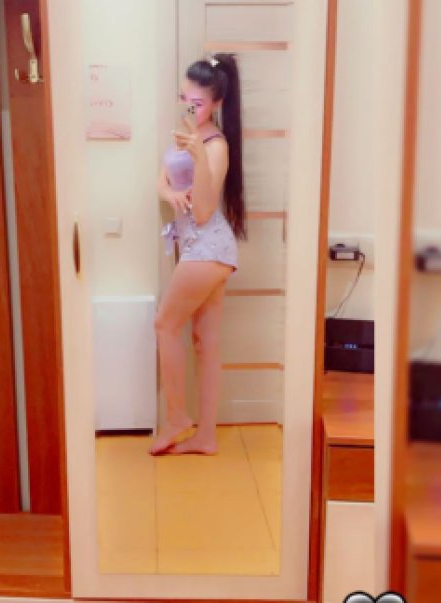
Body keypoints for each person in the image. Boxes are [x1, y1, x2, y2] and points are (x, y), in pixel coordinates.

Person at [150, 53, 247, 456]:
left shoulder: (215, 145)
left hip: (208, 247)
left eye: (198, 103)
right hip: (199, 247)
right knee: (205, 343)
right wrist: (170, 193)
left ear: (217, 103)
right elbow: (161, 180)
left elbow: (205, 211)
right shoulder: (186, 134)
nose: (189, 108)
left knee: (164, 325)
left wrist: (200, 157)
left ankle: (176, 417)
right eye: (184, 99)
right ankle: (206, 436)